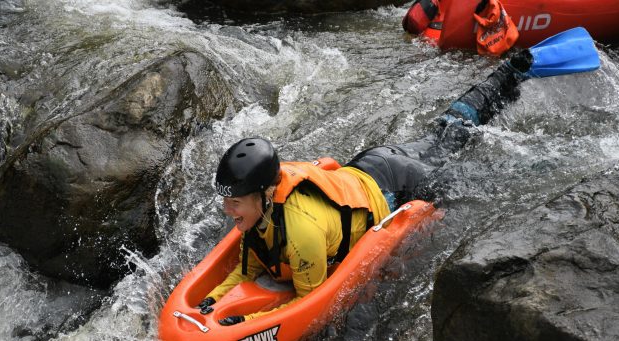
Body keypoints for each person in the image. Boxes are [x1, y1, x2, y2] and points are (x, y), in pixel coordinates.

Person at [197, 49, 533, 326]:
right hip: (368, 167)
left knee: (456, 143)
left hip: (399, 185)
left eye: (236, 202)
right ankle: (509, 75)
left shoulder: (302, 233)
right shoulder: (258, 212)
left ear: (264, 195)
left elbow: (307, 304)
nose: (229, 211)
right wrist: (211, 300)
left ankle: (509, 76)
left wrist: (246, 321)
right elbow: (247, 269)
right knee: (443, 134)